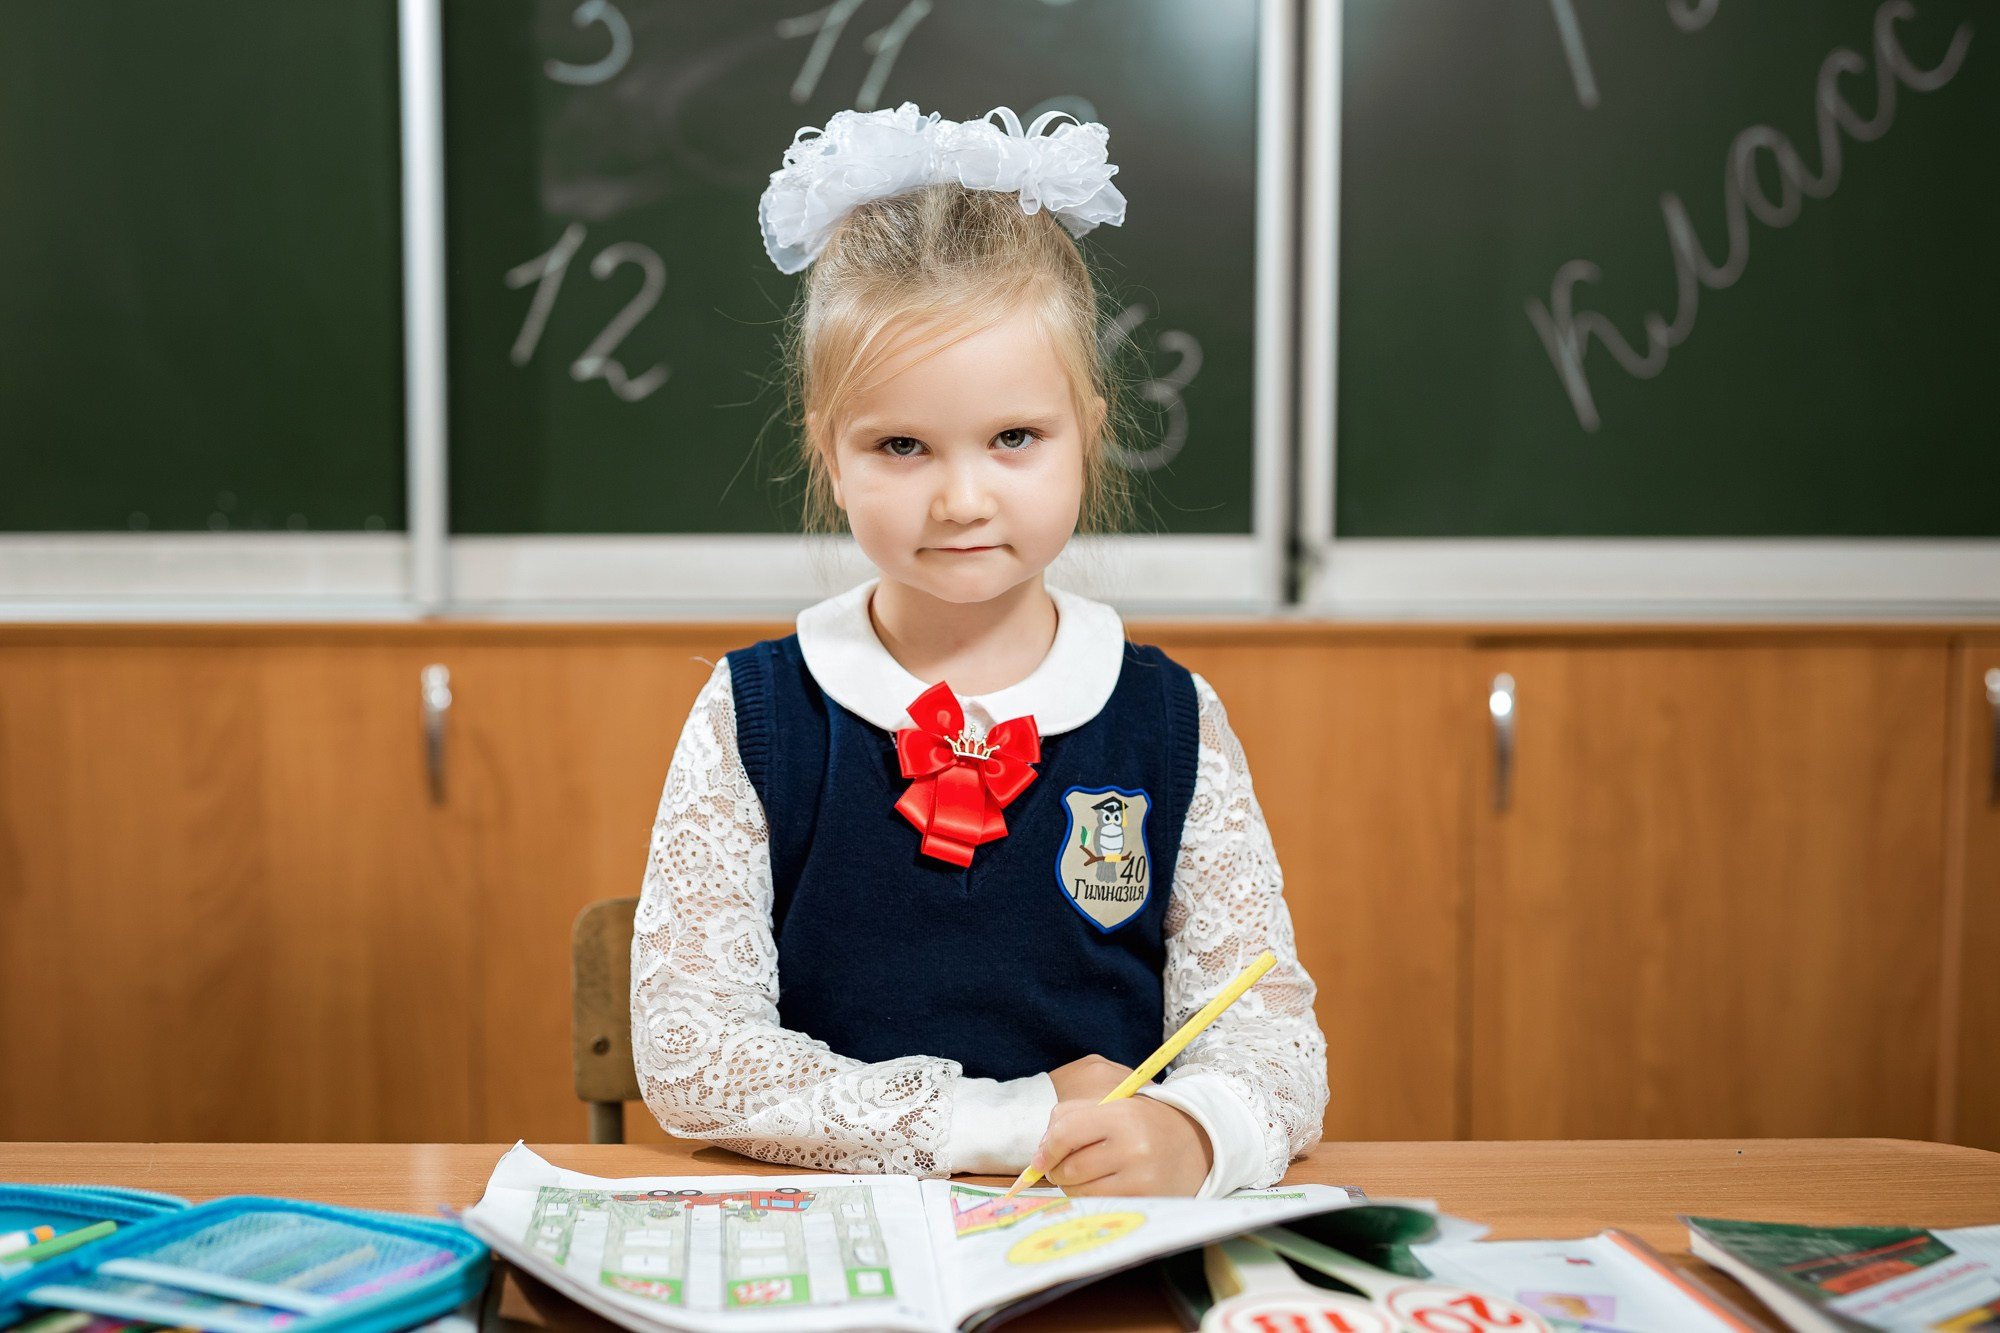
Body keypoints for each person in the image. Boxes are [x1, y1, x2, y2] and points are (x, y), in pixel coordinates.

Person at [631, 103, 1327, 1197]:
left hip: (1094, 1255)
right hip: (836, 1261)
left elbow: (1270, 1036)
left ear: (1086, 433)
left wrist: (1193, 1135)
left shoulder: (1168, 719)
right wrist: (1006, 1119)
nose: (961, 497)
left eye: (1013, 438)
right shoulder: (754, 711)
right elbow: (690, 1059)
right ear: (829, 450)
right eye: (901, 445)